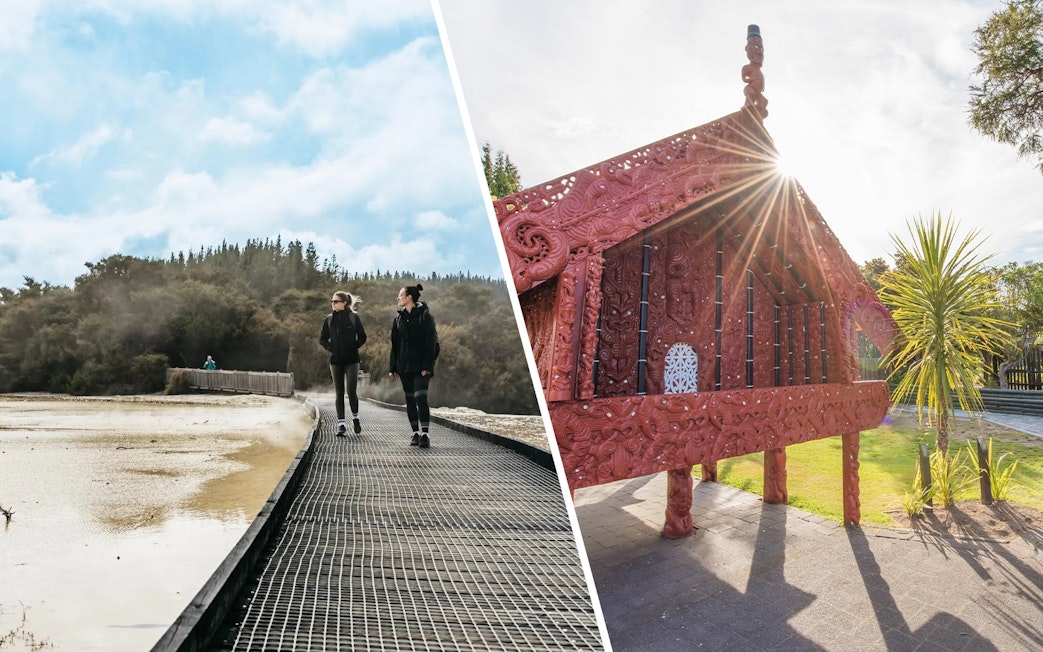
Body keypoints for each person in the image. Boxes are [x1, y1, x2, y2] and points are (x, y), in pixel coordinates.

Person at [389, 283, 439, 448]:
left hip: (421, 366)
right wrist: (393, 367)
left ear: (409, 297)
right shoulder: (398, 319)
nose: (398, 298)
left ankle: (425, 434)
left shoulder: (425, 316)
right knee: (410, 400)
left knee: (421, 398)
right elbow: (395, 345)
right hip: (404, 367)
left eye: (400, 295)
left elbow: (432, 343)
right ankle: (415, 433)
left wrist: (428, 366)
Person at [320, 291, 368, 436]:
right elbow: (322, 339)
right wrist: (331, 349)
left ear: (344, 303)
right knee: (339, 393)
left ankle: (356, 418)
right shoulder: (329, 320)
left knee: (351, 391)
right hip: (335, 361)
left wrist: (353, 347)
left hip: (352, 360)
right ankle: (341, 425)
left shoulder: (353, 318)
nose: (332, 304)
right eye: (332, 301)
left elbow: (363, 337)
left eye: (335, 301)